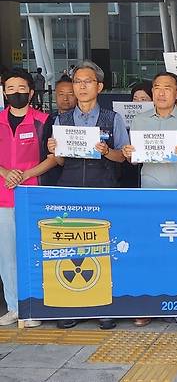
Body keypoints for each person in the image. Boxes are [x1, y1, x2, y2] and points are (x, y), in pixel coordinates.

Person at [47, 60, 129, 330]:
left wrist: (107, 151)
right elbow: (59, 162)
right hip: (69, 189)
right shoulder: (62, 119)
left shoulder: (112, 118)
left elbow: (123, 157)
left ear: (100, 87)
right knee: (69, 247)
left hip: (103, 188)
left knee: (102, 248)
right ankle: (70, 305)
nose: (82, 86)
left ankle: (104, 307)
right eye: (78, 82)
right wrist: (55, 149)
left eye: (88, 81)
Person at [122, 71, 177, 327]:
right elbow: (133, 158)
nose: (161, 92)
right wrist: (127, 153)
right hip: (150, 193)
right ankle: (149, 304)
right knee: (151, 250)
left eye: (167, 87)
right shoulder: (139, 120)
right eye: (157, 87)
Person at [0, 69, 57, 328]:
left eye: (21, 88)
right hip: (4, 197)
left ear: (31, 92)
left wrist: (24, 175)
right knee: (8, 256)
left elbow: (54, 158)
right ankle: (13, 307)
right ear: (4, 92)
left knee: (34, 253)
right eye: (10, 88)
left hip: (33, 195)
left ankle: (34, 308)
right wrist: (6, 173)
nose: (15, 93)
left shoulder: (44, 121)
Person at [41, 77, 77, 186]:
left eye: (70, 94)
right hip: (50, 177)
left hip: (74, 176)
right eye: (61, 94)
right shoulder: (46, 121)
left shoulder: (83, 121)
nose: (65, 98)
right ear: (55, 96)